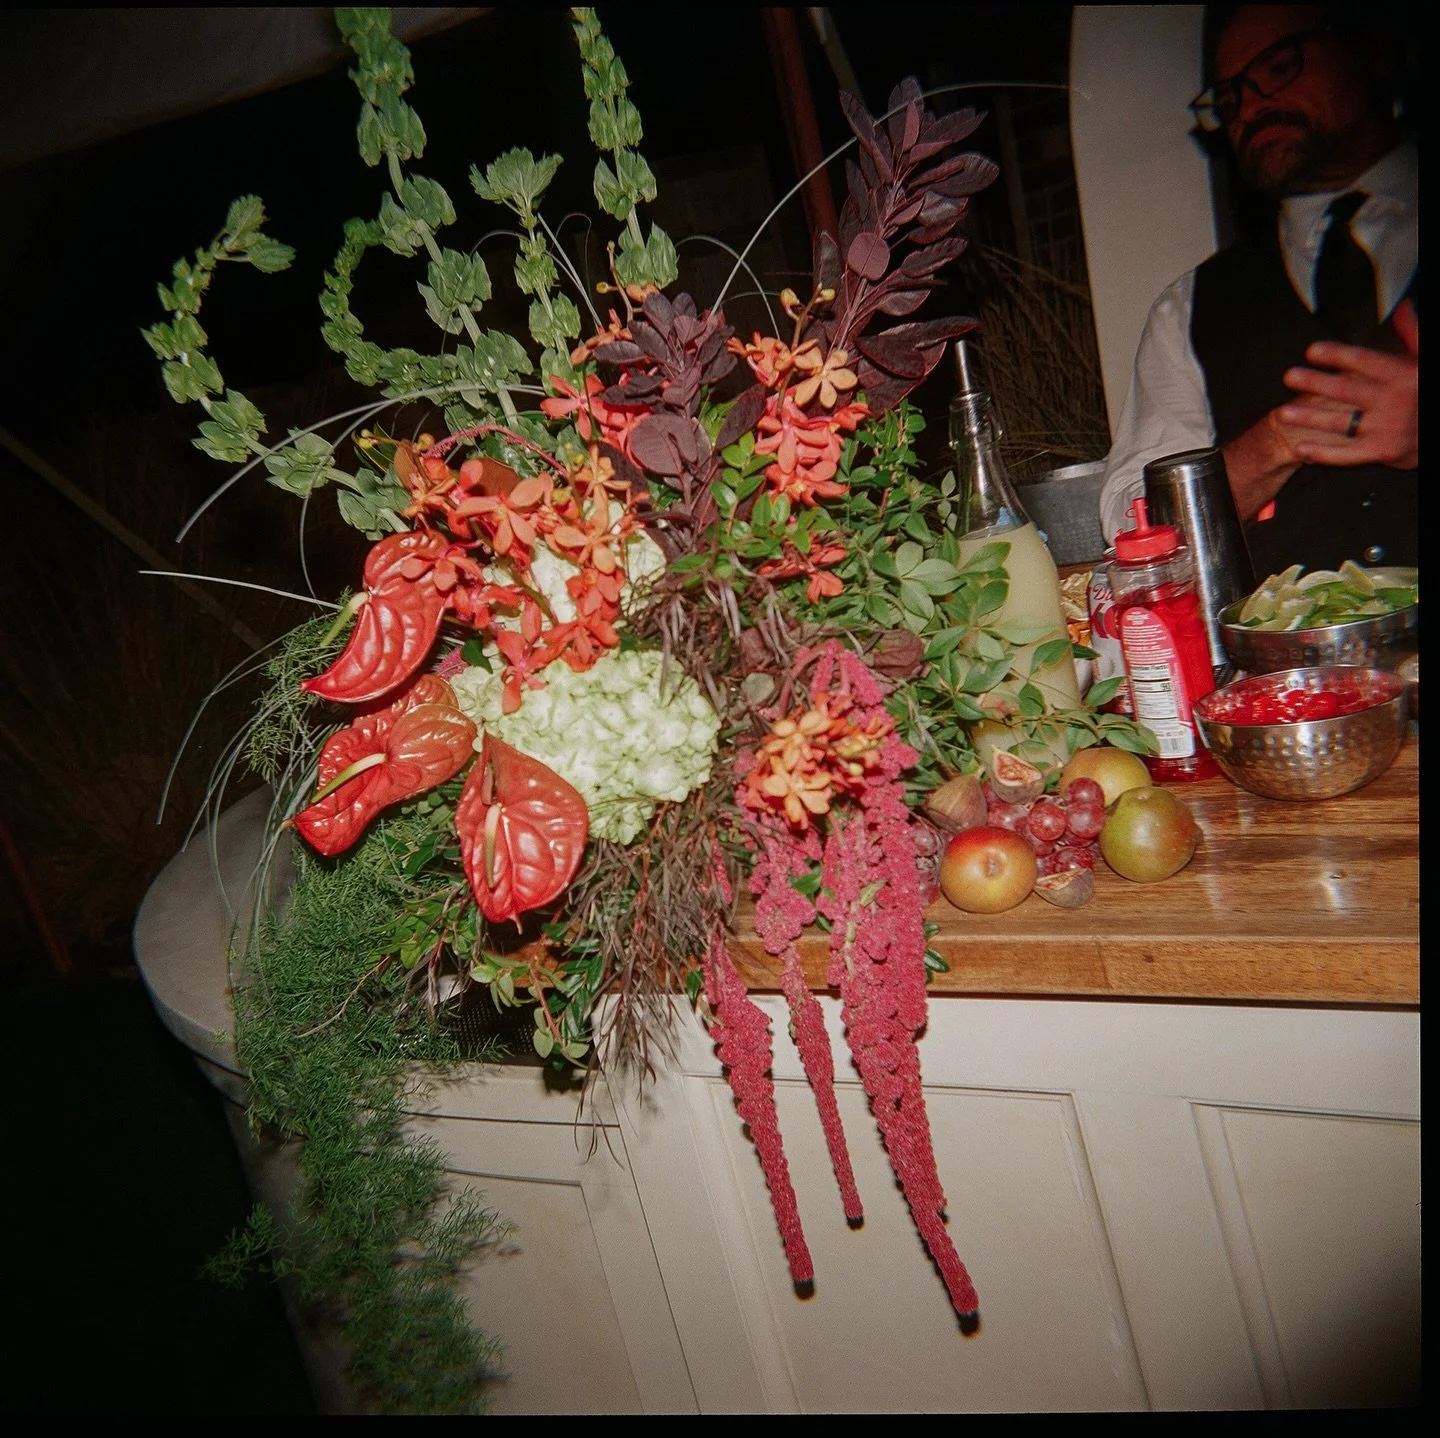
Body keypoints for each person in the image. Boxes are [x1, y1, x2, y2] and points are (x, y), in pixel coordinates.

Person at [1097, 4, 1418, 578]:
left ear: (1372, 53)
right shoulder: (1189, 306)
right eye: (1229, 96)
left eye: (1279, 66)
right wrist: (1272, 444)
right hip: (1288, 665)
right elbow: (1129, 524)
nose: (1250, 106)